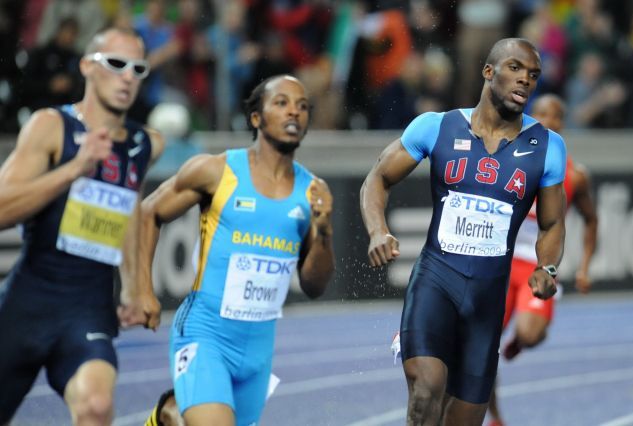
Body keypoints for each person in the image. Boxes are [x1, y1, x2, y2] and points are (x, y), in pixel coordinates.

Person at [360, 38, 567, 425]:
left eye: (534, 75)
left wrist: (548, 267)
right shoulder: (436, 126)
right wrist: (377, 230)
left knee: (464, 418)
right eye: (515, 69)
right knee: (426, 389)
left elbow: (553, 223)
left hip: (487, 301)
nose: (525, 80)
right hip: (436, 283)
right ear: (489, 72)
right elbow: (377, 178)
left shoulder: (548, 147)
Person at [140, 74, 335, 426]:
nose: (294, 112)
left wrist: (323, 231)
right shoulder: (216, 171)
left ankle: (165, 417)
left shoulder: (313, 192)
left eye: (302, 106)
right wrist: (141, 290)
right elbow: (148, 212)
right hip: (205, 334)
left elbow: (314, 286)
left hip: (258, 354)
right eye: (282, 103)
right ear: (256, 118)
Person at [0, 27, 164, 425]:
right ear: (88, 67)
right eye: (117, 64)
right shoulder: (51, 126)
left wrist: (135, 286)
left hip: (88, 310)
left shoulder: (145, 144)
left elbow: (129, 209)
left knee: (95, 406)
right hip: (27, 305)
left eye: (138, 68)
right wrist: (75, 169)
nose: (127, 76)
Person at [487, 94, 598, 426]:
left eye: (555, 116)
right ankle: (495, 418)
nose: (547, 121)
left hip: (538, 266)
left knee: (531, 333)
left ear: (563, 124)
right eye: (541, 114)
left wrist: (584, 267)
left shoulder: (575, 175)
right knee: (484, 349)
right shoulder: (506, 157)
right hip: (500, 264)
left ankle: (522, 339)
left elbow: (592, 220)